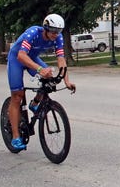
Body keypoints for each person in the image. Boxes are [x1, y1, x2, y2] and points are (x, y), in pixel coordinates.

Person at [6, 13, 76, 151]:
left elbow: (61, 59)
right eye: (54, 31)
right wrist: (39, 69)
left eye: (59, 31)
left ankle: (35, 103)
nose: (56, 34)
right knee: (17, 96)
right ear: (46, 27)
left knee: (51, 79)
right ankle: (15, 137)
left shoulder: (58, 38)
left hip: (31, 58)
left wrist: (66, 81)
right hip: (17, 59)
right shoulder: (33, 32)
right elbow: (21, 55)